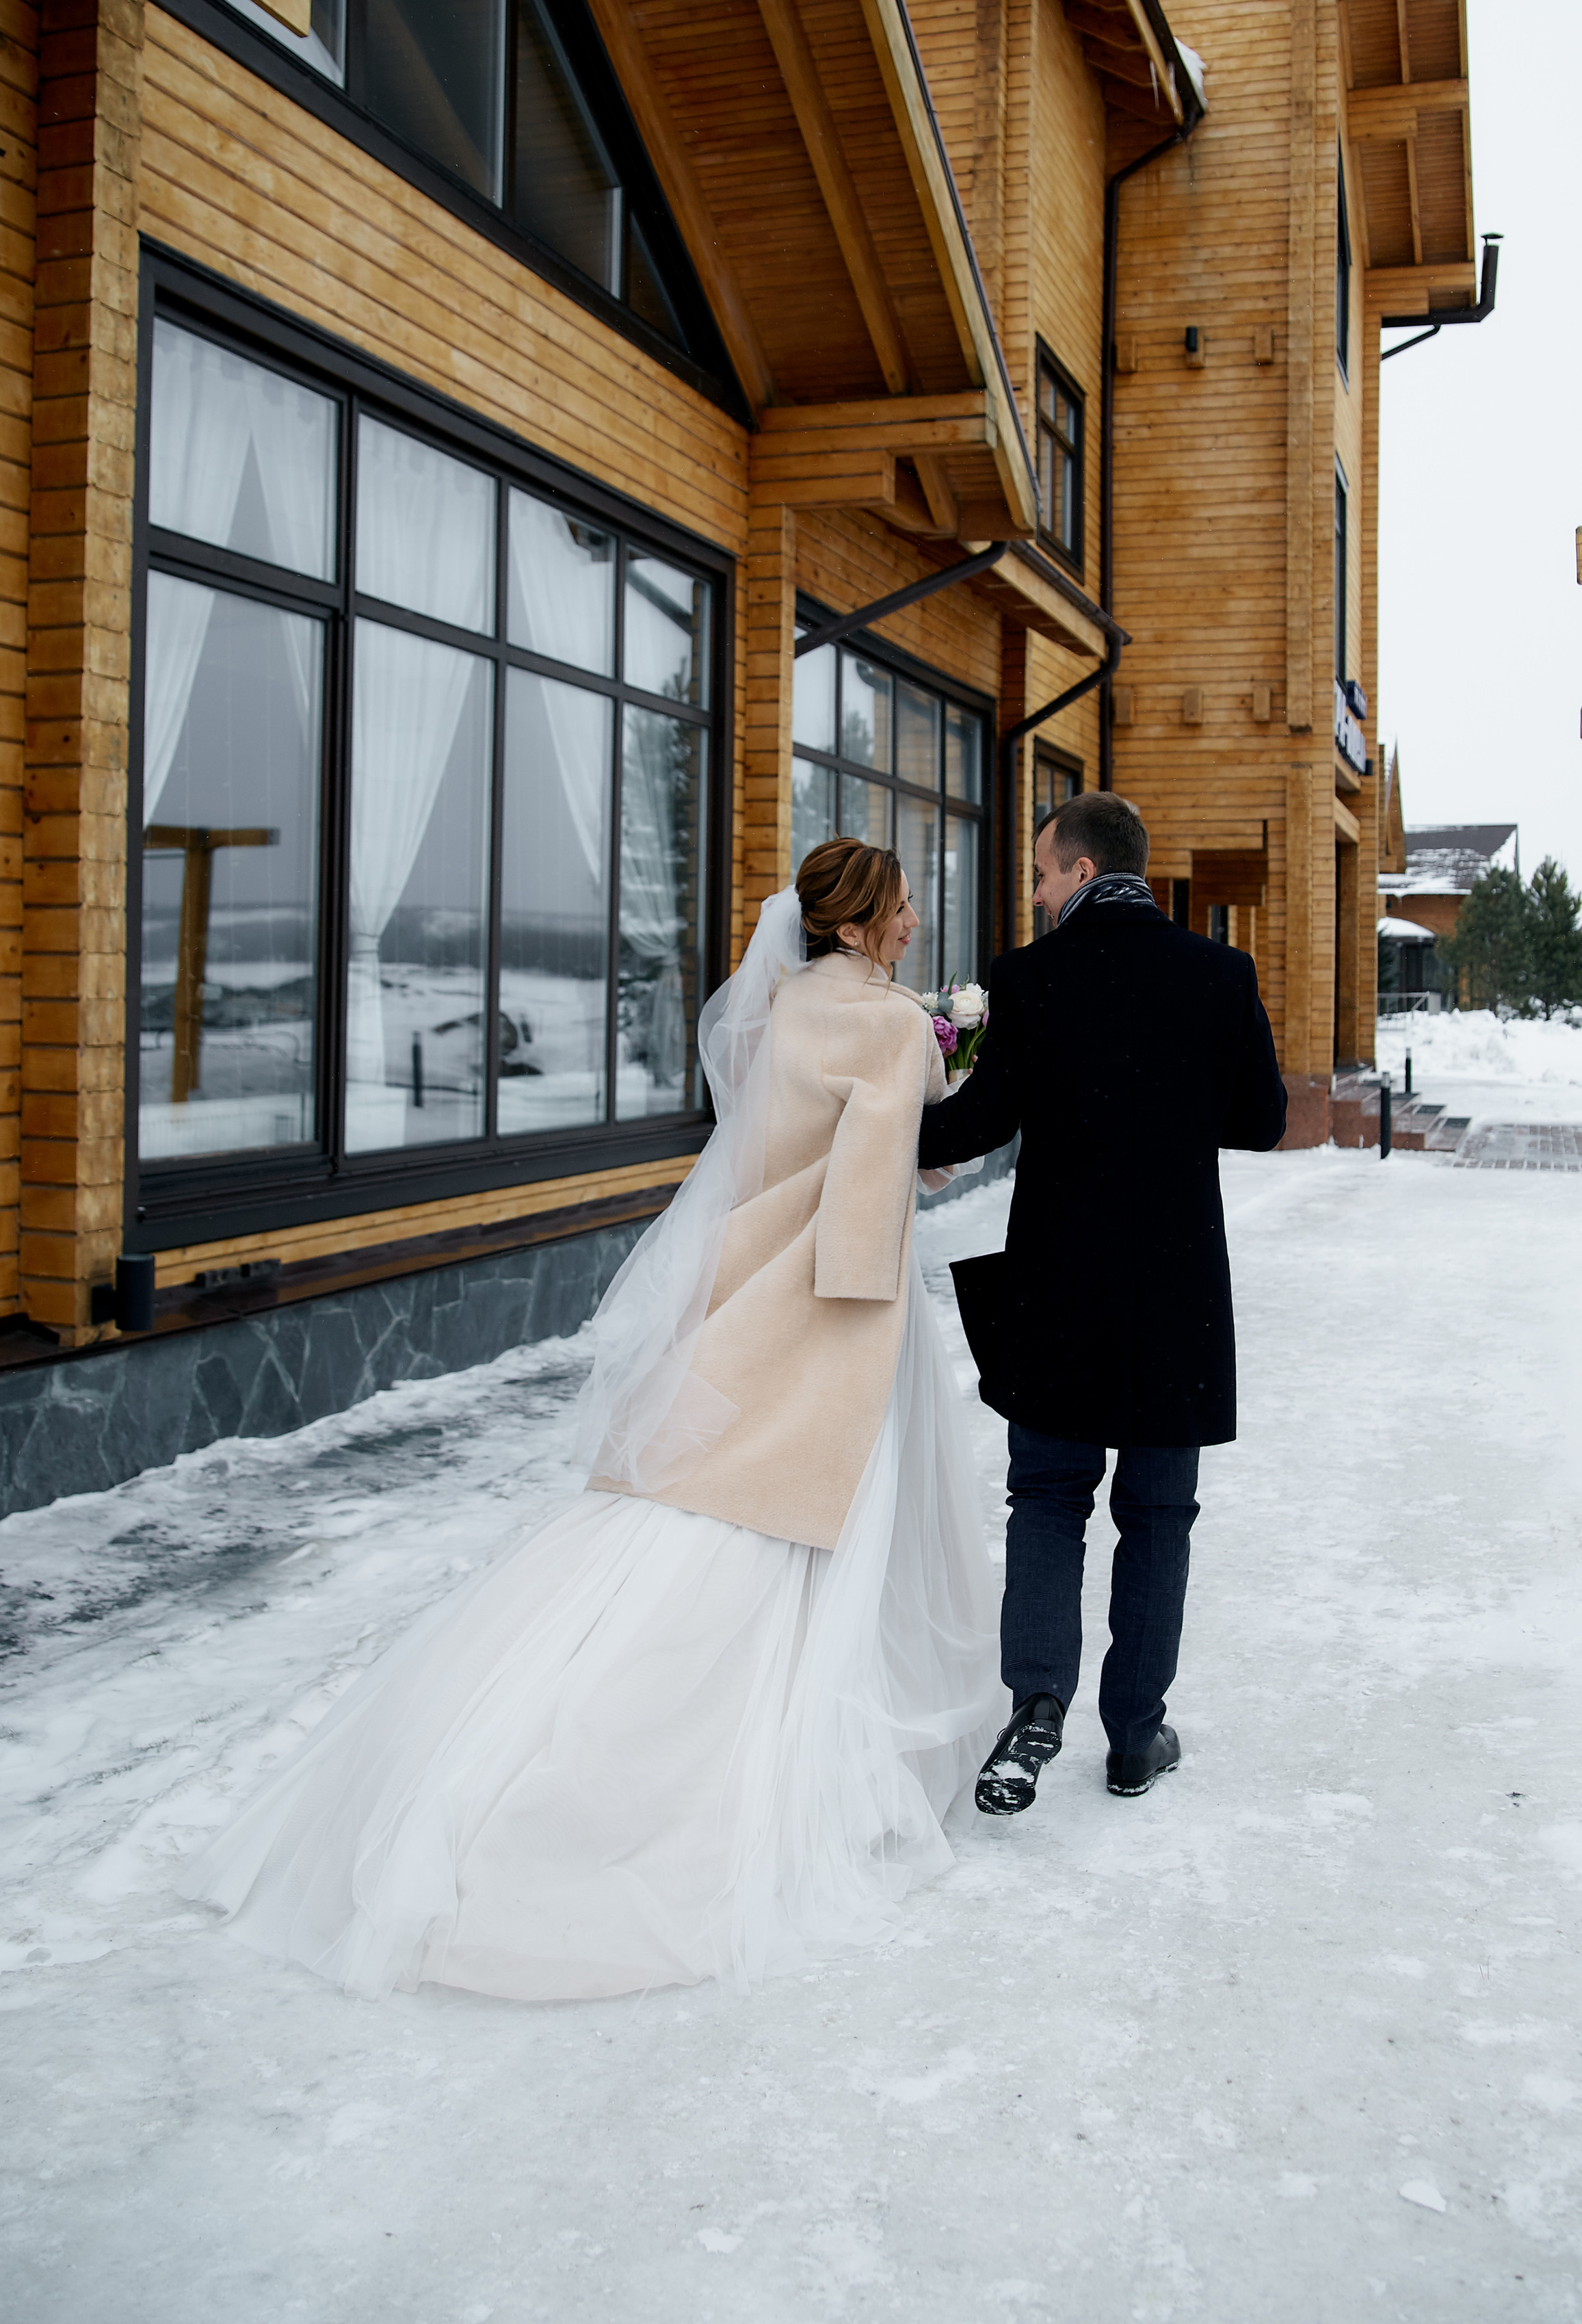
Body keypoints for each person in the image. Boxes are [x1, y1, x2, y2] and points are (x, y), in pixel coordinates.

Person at [180, 841, 1001, 2001]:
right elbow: (885, 1175)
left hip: (750, 1274)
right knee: (804, 1515)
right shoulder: (885, 1024)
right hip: (831, 1298)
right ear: (860, 924)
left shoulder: (783, 1008)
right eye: (903, 909)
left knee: (697, 1503)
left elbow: (780, 1147)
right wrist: (935, 1106)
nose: (916, 924)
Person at [918, 790, 1286, 1817]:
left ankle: (1036, 1707)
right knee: (1159, 1515)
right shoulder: (1221, 974)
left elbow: (976, 1125)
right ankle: (1134, 1737)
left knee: (1047, 1497)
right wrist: (1172, 1106)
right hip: (1177, 1298)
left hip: (1059, 1292)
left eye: (1042, 875)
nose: (1036, 895)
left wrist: (860, 1117)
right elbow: (1262, 1119)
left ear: (1083, 870)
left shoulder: (1030, 979)